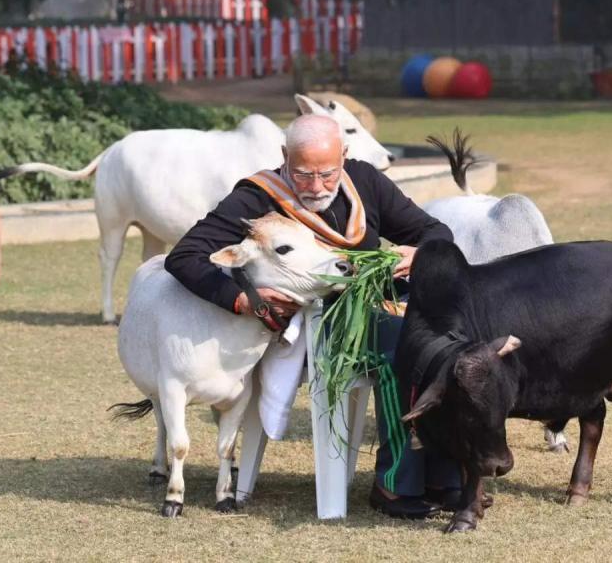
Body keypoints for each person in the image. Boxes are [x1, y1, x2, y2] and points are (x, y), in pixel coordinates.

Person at [165, 114, 460, 519]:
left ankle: (445, 478)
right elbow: (185, 256)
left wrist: (419, 253)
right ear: (286, 157)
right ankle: (395, 485)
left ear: (345, 156)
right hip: (315, 326)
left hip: (375, 306)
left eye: (327, 173)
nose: (317, 187)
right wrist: (243, 300)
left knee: (448, 340)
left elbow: (435, 231)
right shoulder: (257, 197)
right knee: (405, 345)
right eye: (303, 175)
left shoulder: (364, 181)